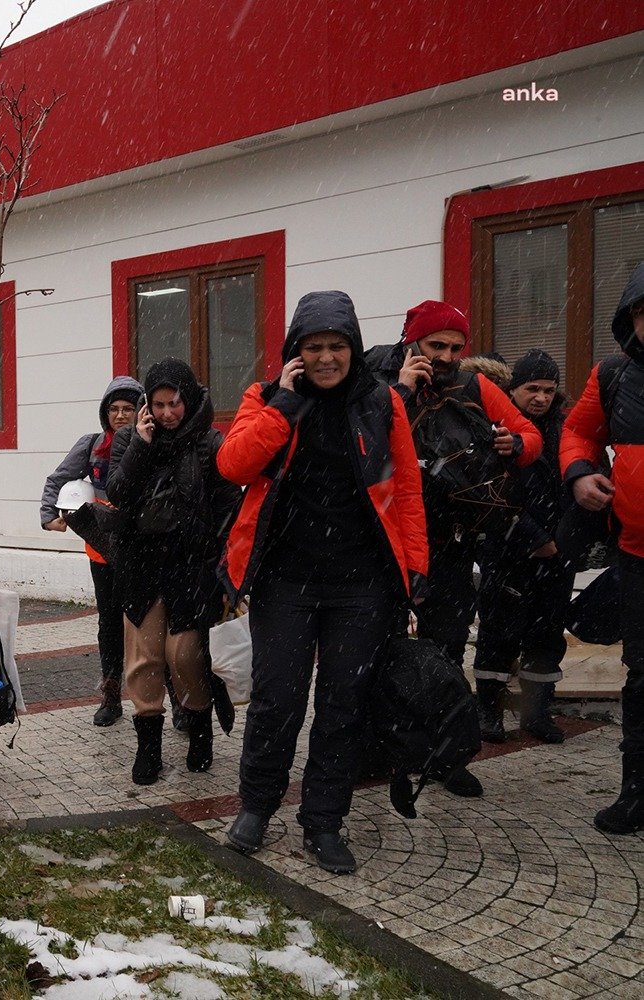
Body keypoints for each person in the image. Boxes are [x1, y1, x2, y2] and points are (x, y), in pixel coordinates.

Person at [218, 291, 428, 874]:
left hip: (362, 585)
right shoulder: (265, 398)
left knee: (344, 706)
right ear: (295, 352)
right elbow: (232, 464)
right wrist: (283, 406)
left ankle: (324, 820)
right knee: (276, 700)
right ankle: (256, 808)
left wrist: (415, 574)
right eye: (314, 347)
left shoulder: (383, 403)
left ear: (353, 349)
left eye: (337, 346)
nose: (327, 357)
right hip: (286, 581)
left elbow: (407, 491)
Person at [375, 300, 541, 798]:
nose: (446, 356)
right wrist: (403, 388)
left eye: (454, 347)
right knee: (374, 647)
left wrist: (518, 444)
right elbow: (365, 438)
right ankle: (375, 747)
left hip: (451, 542)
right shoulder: (377, 381)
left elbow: (529, 434)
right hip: (390, 540)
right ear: (412, 342)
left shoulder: (474, 386)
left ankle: (445, 755)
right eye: (435, 346)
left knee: (445, 650)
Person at [105, 359, 239, 784]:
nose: (166, 414)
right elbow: (118, 493)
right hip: (141, 564)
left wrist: (223, 570)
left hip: (191, 566)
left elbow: (227, 507)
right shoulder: (130, 438)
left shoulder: (208, 442)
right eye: (158, 405)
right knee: (143, 658)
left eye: (174, 404)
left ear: (189, 398)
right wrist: (142, 446)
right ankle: (149, 750)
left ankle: (200, 734)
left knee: (185, 657)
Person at [561, 262, 644, 836]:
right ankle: (637, 793)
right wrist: (579, 474)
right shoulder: (613, 375)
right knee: (641, 677)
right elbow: (578, 431)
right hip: (636, 556)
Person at [470, 349, 572, 744]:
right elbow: (492, 494)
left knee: (547, 635)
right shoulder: (497, 430)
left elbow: (586, 480)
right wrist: (532, 537)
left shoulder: (568, 430)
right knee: (498, 633)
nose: (542, 397)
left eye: (549, 390)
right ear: (513, 390)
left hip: (559, 554)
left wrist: (565, 541)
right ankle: (488, 711)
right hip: (507, 551)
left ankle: (536, 712)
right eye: (533, 389)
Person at [40, 376, 144, 727]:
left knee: (155, 627)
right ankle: (111, 696)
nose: (120, 415)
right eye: (113, 409)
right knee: (110, 625)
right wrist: (48, 515)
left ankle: (172, 700)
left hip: (147, 553)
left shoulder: (153, 443)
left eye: (128, 408)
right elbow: (57, 480)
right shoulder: (92, 446)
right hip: (104, 553)